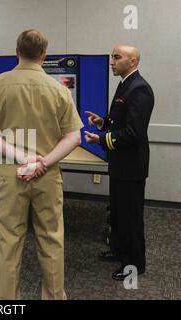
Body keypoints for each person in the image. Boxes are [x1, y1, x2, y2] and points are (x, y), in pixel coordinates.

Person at [0, 30, 83, 300]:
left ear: (16, 51)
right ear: (44, 55)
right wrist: (43, 161)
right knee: (52, 239)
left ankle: (9, 301)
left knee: (9, 240)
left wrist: (22, 158)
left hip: (11, 174)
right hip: (48, 175)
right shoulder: (59, 89)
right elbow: (75, 137)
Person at [84, 45, 154, 281]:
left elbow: (133, 133)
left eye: (117, 57)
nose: (111, 61)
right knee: (118, 213)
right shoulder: (125, 85)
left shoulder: (140, 89)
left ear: (133, 61)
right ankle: (119, 251)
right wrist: (102, 123)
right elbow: (119, 124)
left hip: (131, 166)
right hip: (121, 164)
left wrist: (101, 139)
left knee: (131, 217)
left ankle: (134, 264)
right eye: (112, 57)